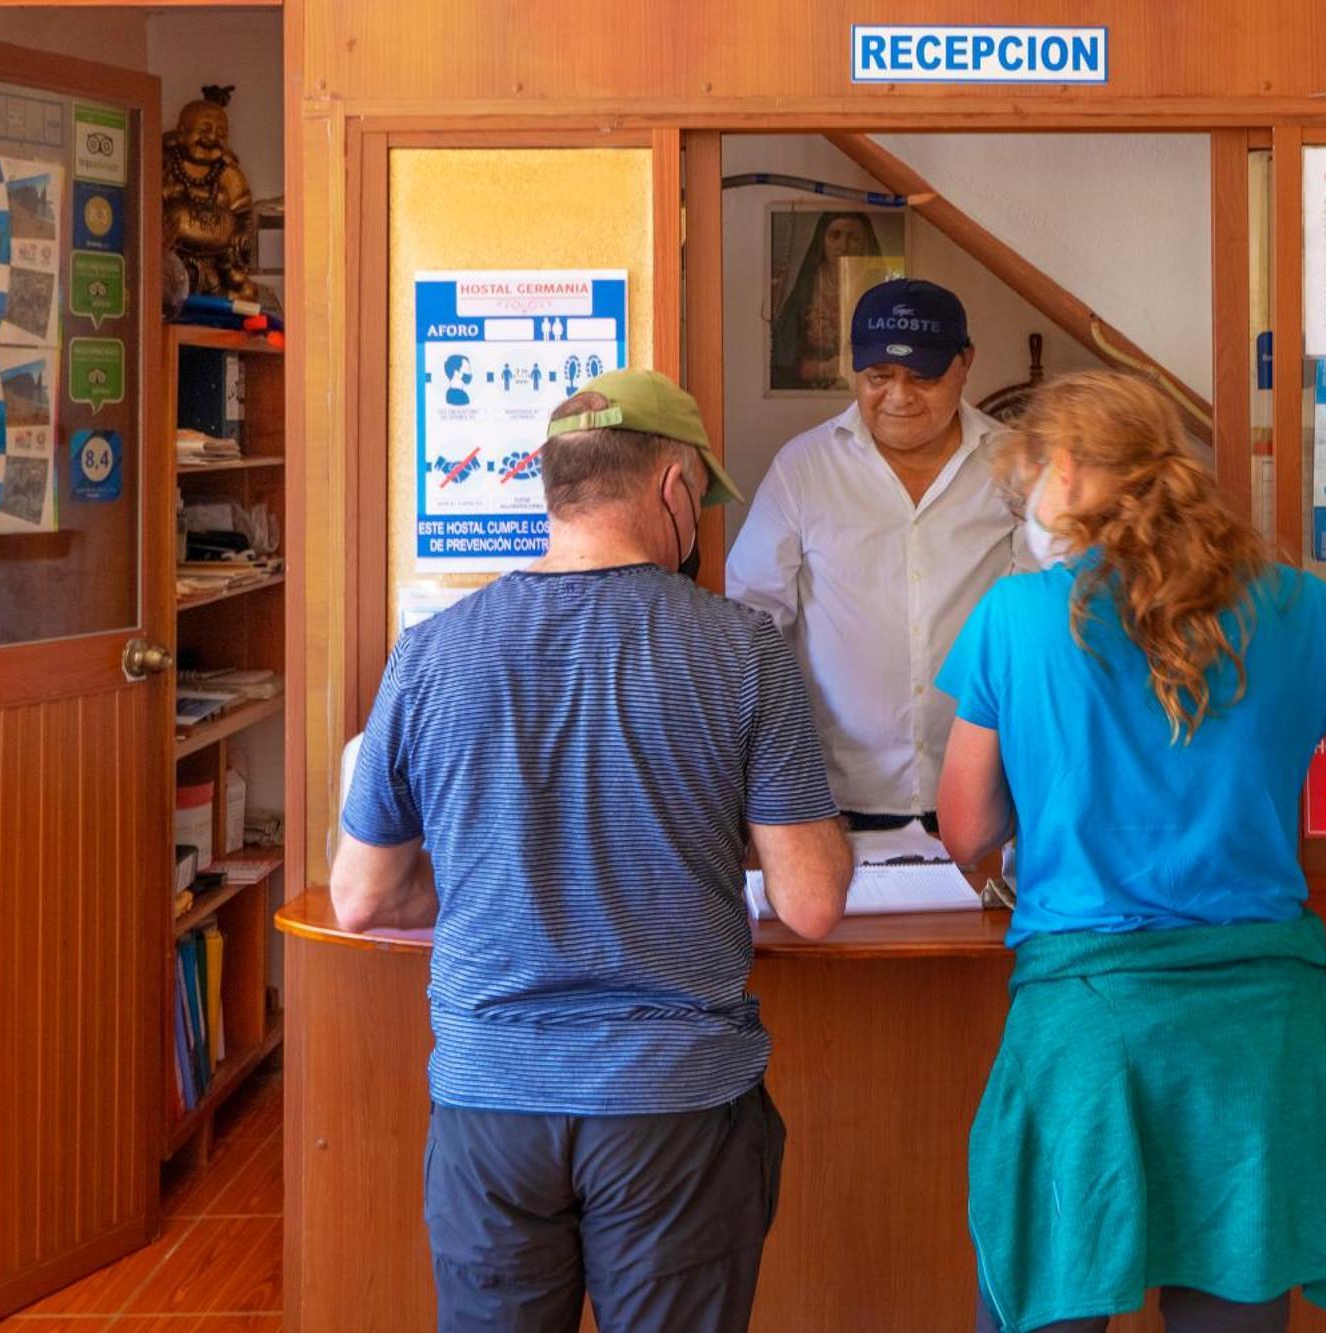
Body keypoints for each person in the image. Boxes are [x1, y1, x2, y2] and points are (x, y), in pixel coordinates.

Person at [935, 370, 1326, 1333]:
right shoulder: (1287, 606)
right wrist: (1301, 697)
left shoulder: (1013, 621)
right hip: (1257, 1032)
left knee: (1050, 1294)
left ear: (1065, 474)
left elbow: (967, 829)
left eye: (1028, 486)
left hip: (1088, 1029)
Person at [330, 368, 854, 1333]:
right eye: (701, 499)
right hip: (675, 1106)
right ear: (672, 486)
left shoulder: (430, 651)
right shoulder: (744, 649)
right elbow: (812, 900)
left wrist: (504, 890)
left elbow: (361, 896)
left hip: (490, 1102)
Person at [730, 277, 1026, 833]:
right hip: (833, 798)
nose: (899, 396)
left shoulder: (1015, 465)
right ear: (853, 367)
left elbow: (1044, 615)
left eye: (924, 377)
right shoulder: (804, 469)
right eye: (878, 376)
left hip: (987, 793)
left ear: (966, 364)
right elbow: (752, 622)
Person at [769, 211, 883, 389]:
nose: (843, 246)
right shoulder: (807, 286)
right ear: (822, 241)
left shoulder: (876, 289)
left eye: (853, 238)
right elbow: (784, 360)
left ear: (865, 244)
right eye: (835, 236)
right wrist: (823, 369)